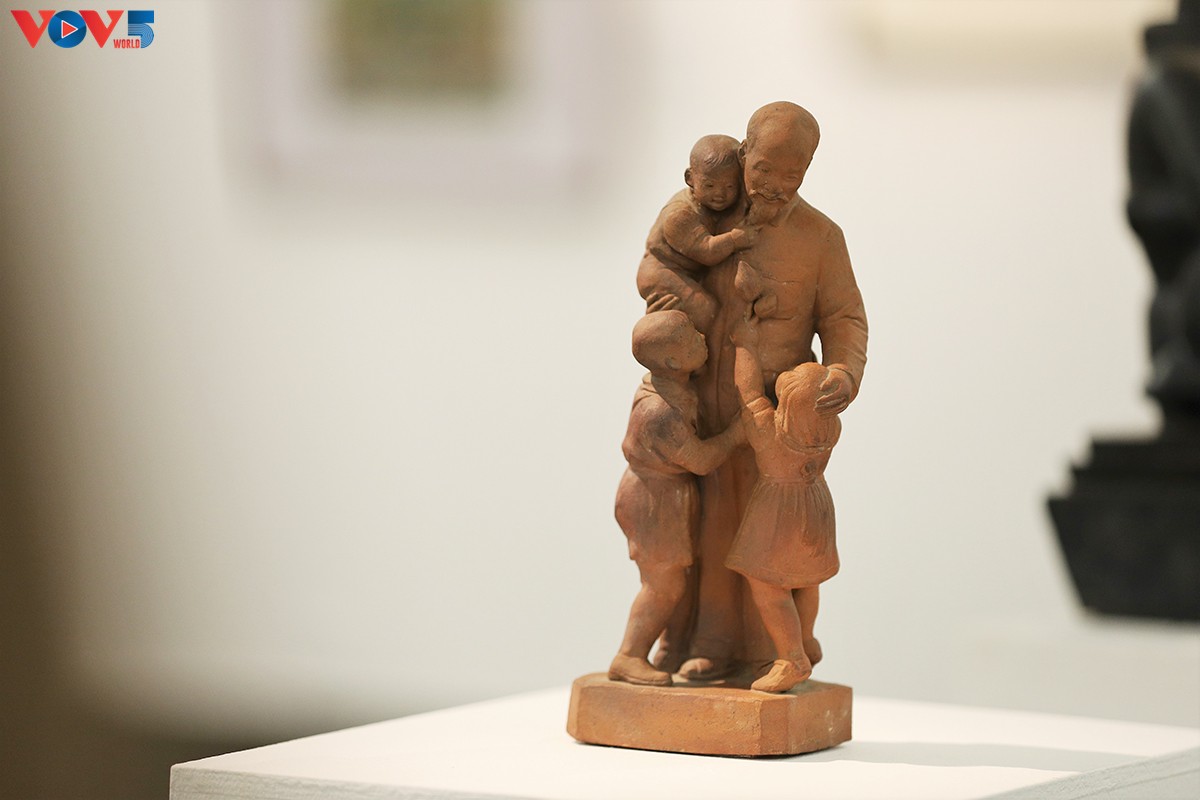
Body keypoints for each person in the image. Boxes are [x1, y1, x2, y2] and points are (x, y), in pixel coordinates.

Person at [679, 101, 868, 680]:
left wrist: (843, 373)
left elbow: (844, 318)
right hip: (707, 397)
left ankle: (782, 649)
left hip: (781, 411)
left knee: (776, 540)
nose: (776, 186)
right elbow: (662, 268)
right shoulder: (706, 212)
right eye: (764, 169)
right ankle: (710, 641)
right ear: (744, 153)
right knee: (714, 520)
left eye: (793, 175)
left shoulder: (821, 237)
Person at [609, 310, 745, 686]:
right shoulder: (660, 413)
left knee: (670, 580)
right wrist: (736, 435)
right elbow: (700, 460)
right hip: (653, 502)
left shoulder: (670, 385)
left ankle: (659, 649)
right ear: (671, 362)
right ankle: (629, 656)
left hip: (664, 494)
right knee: (663, 585)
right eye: (690, 337)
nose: (701, 337)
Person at [729, 315, 840, 692]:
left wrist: (745, 344)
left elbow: (748, 394)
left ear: (788, 405)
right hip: (815, 506)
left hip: (779, 511)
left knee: (767, 584)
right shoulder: (828, 430)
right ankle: (806, 638)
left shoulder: (770, 433)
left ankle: (792, 658)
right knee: (807, 579)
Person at [636, 135, 758, 332]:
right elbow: (707, 251)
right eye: (709, 185)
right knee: (705, 310)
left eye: (730, 186)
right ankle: (688, 347)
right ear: (690, 178)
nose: (720, 194)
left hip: (692, 271)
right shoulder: (679, 215)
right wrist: (736, 238)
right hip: (663, 272)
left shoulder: (714, 206)